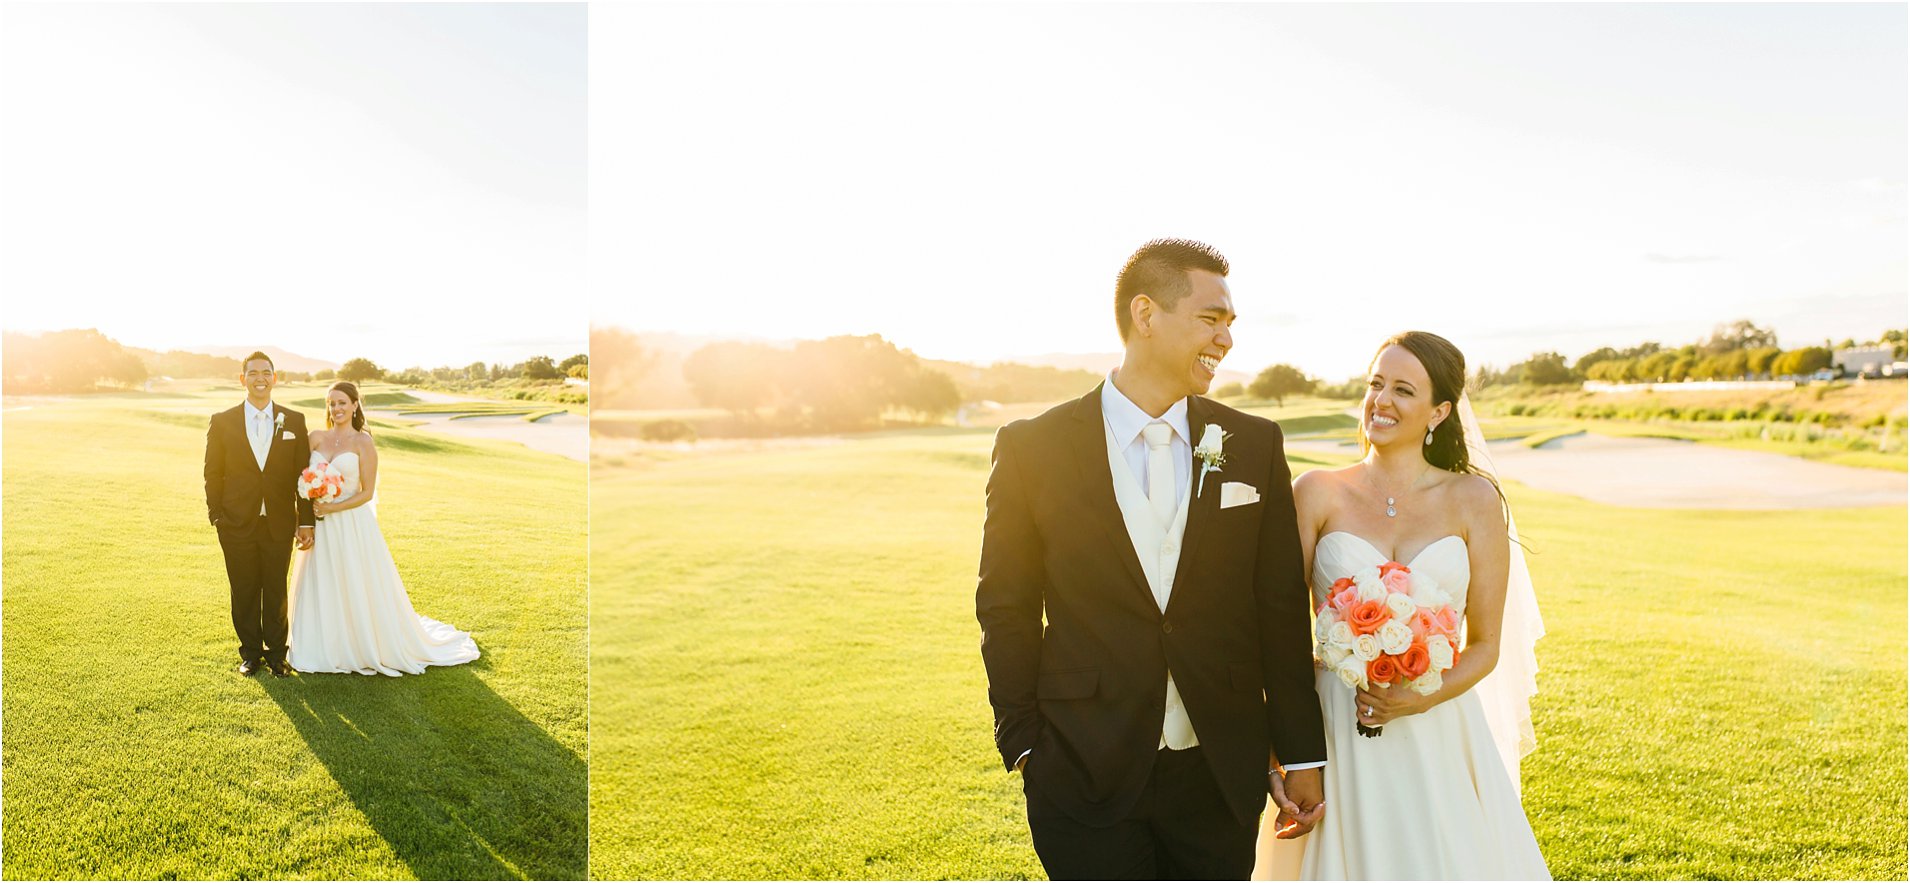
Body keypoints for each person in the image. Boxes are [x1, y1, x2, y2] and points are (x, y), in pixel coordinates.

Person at [977, 239, 1326, 880]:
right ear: (1145, 315)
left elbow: (1278, 607)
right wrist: (1024, 742)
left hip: (1218, 771)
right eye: (1210, 319)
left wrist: (1303, 752)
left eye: (1230, 323)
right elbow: (1007, 607)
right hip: (1082, 766)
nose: (1225, 340)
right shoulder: (1034, 448)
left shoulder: (1253, 444)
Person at [1253, 331, 1549, 880]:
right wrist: (1288, 752)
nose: (1380, 401)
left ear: (1438, 411)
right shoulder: (1317, 491)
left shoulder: (1474, 501)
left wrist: (1418, 696)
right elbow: (1277, 633)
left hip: (1436, 724)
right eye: (1375, 383)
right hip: (1335, 726)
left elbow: (1484, 646)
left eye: (1403, 390)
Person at [286, 381, 479, 676]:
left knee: (354, 580)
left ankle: (359, 643)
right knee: (321, 580)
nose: (336, 409)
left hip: (350, 524)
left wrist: (332, 507)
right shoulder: (315, 438)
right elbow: (297, 479)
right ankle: (322, 642)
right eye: (331, 403)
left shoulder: (364, 443)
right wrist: (307, 517)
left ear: (354, 405)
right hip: (320, 527)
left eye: (341, 403)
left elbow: (366, 492)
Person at [204, 352, 315, 677]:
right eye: (253, 373)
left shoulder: (294, 420)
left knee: (276, 588)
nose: (260, 378)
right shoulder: (222, 421)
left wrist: (304, 519)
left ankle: (277, 655)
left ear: (274, 378)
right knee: (244, 588)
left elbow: (303, 476)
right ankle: (251, 653)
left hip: (279, 521)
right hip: (236, 522)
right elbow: (213, 473)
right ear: (242, 379)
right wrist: (217, 516)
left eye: (266, 372)